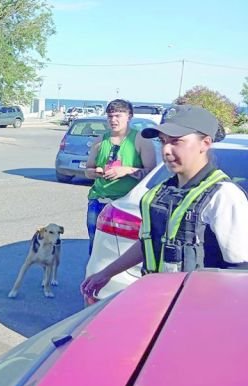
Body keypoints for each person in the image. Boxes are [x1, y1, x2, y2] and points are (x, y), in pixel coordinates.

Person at [81, 105, 248, 298]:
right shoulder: (160, 192)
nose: (166, 150)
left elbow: (240, 270)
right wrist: (106, 273)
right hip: (163, 300)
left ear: (205, 143)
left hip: (200, 306)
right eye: (162, 141)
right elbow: (150, 243)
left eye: (176, 141)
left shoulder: (224, 196)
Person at [85, 99, 156, 254]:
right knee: (96, 247)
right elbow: (88, 169)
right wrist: (94, 172)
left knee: (124, 249)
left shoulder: (141, 140)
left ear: (129, 116)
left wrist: (126, 171)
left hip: (127, 204)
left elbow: (152, 173)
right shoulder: (100, 140)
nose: (113, 120)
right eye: (110, 116)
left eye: (118, 116)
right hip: (99, 201)